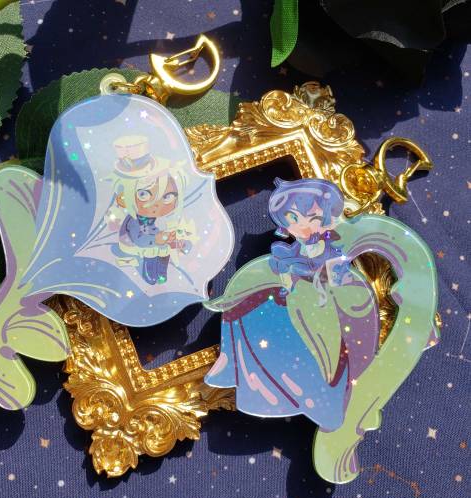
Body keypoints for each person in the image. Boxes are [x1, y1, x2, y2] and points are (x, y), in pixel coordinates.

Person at [204, 179, 379, 431]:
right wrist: (288, 278)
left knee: (316, 339)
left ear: (329, 219)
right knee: (247, 306)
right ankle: (231, 362)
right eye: (294, 218)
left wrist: (316, 277)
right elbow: (285, 270)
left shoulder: (332, 250)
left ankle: (325, 398)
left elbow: (335, 278)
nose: (303, 226)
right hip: (291, 299)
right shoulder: (292, 250)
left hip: (319, 305)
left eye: (313, 218)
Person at [108, 135, 193, 285]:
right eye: (143, 195)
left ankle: (161, 272)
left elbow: (158, 231)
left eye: (167, 197)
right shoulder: (134, 221)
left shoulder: (157, 218)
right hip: (134, 241)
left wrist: (173, 240)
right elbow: (140, 239)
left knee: (164, 248)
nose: (157, 205)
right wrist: (157, 239)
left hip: (152, 234)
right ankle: (150, 272)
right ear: (123, 198)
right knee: (153, 250)